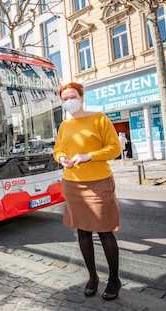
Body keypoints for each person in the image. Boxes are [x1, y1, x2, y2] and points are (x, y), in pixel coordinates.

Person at [53, 82, 122, 300]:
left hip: (99, 182)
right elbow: (58, 149)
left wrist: (88, 156)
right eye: (64, 99)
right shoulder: (64, 126)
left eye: (72, 96)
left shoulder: (99, 118)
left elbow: (115, 148)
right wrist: (61, 157)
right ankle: (92, 277)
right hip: (72, 183)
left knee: (104, 231)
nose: (68, 101)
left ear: (81, 97)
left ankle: (114, 280)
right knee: (82, 232)